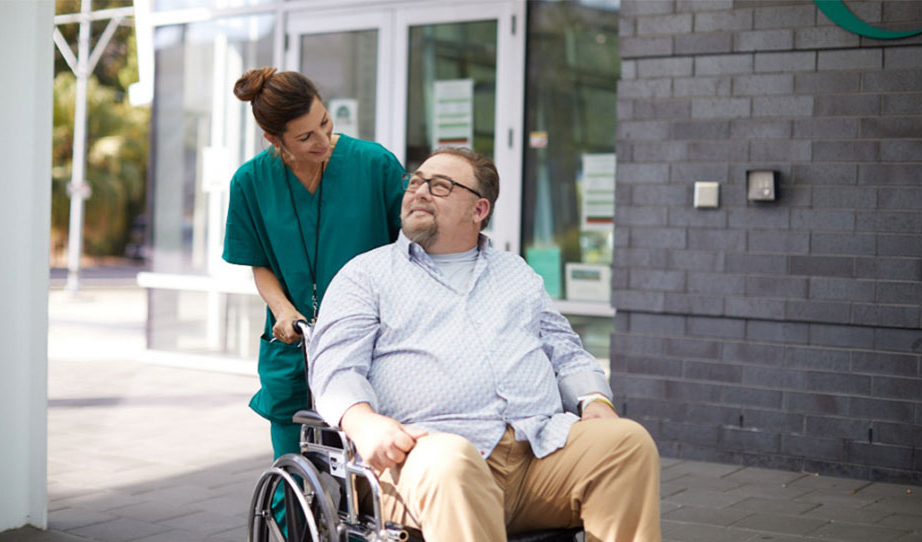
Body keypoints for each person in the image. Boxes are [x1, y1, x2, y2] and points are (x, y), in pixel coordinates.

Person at [308, 148, 661, 542]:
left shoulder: (516, 273)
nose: (419, 191)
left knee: (626, 443)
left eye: (440, 186)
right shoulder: (366, 275)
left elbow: (565, 349)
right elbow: (335, 368)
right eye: (416, 181)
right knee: (453, 463)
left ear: (479, 210)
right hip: (423, 457)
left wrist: (594, 400)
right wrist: (363, 422)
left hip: (537, 454)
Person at [222, 68, 404, 466]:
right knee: (295, 475)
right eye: (305, 137)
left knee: (369, 480)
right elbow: (259, 262)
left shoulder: (375, 165)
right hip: (295, 345)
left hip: (371, 343)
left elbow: (411, 248)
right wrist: (283, 310)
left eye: (324, 122)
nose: (322, 141)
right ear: (274, 139)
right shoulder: (250, 182)